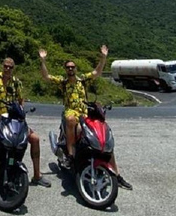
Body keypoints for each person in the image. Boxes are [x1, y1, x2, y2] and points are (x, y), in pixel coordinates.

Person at [38, 45, 133, 190]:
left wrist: (103, 57)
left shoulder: (82, 80)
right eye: (68, 67)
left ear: (75, 69)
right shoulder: (63, 83)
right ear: (65, 69)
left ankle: (117, 174)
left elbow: (97, 72)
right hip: (71, 112)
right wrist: (43, 61)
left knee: (103, 137)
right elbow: (46, 77)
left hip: (85, 113)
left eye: (72, 67)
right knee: (70, 120)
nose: (70, 69)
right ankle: (70, 156)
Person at [0, 40, 51, 195]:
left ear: (13, 69)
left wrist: (21, 112)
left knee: (35, 139)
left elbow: (21, 100)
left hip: (14, 118)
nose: (7, 69)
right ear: (2, 66)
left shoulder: (17, 83)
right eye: (5, 66)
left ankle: (37, 175)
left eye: (10, 67)